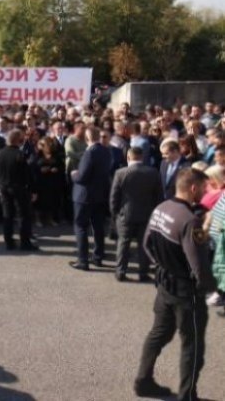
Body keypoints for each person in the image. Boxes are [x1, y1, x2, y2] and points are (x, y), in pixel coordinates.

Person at [134, 168, 215, 400]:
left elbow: (147, 243)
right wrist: (210, 289)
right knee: (193, 346)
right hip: (186, 293)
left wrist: (161, 265)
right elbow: (199, 265)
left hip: (164, 286)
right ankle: (187, 396)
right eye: (202, 187)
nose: (204, 191)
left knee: (158, 334)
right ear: (192, 188)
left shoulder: (161, 208)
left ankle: (143, 381)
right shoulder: (190, 221)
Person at [110, 147, 163, 282]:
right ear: (142, 157)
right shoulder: (153, 172)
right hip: (146, 214)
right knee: (143, 244)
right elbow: (159, 196)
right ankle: (143, 273)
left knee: (123, 243)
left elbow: (114, 197)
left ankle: (120, 271)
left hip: (125, 214)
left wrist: (115, 213)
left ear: (128, 157)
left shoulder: (120, 173)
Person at [69, 126, 112, 271]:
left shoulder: (90, 152)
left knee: (81, 226)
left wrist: (74, 174)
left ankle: (83, 260)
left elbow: (82, 176)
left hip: (85, 195)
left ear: (87, 138)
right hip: (100, 194)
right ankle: (98, 256)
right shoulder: (106, 151)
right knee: (98, 226)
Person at [0, 129, 38, 251]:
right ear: (18, 140)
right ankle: (25, 243)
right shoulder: (20, 155)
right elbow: (28, 175)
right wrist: (33, 190)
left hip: (4, 188)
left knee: (7, 215)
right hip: (19, 189)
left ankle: (9, 242)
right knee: (23, 216)